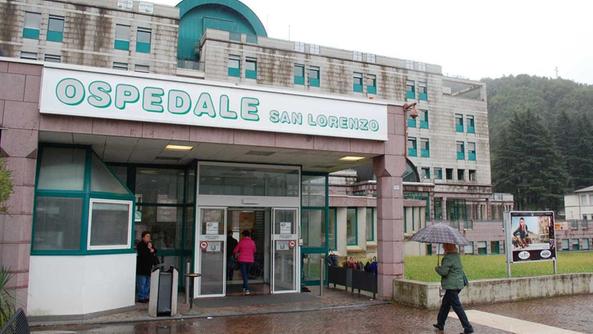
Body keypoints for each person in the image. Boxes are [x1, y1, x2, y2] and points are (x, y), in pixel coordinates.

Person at [433, 243, 473, 334]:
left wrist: (437, 268)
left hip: (452, 286)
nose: (443, 247)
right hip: (458, 284)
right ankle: (440, 323)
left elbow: (444, 272)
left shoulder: (448, 258)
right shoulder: (456, 256)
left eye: (444, 246)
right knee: (445, 304)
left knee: (457, 307)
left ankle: (468, 327)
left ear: (447, 247)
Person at [136, 231, 159, 303]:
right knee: (142, 283)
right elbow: (143, 254)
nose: (149, 238)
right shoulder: (140, 245)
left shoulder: (150, 244)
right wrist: (149, 249)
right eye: (147, 236)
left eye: (149, 236)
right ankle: (141, 297)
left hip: (149, 266)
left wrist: (151, 249)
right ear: (143, 237)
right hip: (142, 267)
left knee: (147, 283)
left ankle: (146, 296)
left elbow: (155, 250)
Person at [233, 230, 256, 295]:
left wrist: (239, 253)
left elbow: (235, 250)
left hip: (242, 260)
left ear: (243, 235)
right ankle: (244, 287)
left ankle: (247, 289)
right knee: (246, 274)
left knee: (244, 275)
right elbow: (254, 250)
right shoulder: (252, 242)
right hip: (250, 260)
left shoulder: (241, 242)